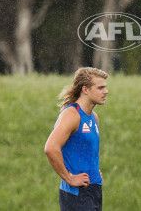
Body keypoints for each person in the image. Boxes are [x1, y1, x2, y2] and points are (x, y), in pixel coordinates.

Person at [44, 67, 109, 211]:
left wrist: (93, 170)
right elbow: (50, 148)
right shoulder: (72, 115)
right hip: (77, 193)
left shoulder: (94, 117)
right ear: (85, 89)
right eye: (100, 88)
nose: (106, 91)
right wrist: (69, 178)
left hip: (94, 189)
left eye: (105, 87)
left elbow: (85, 150)